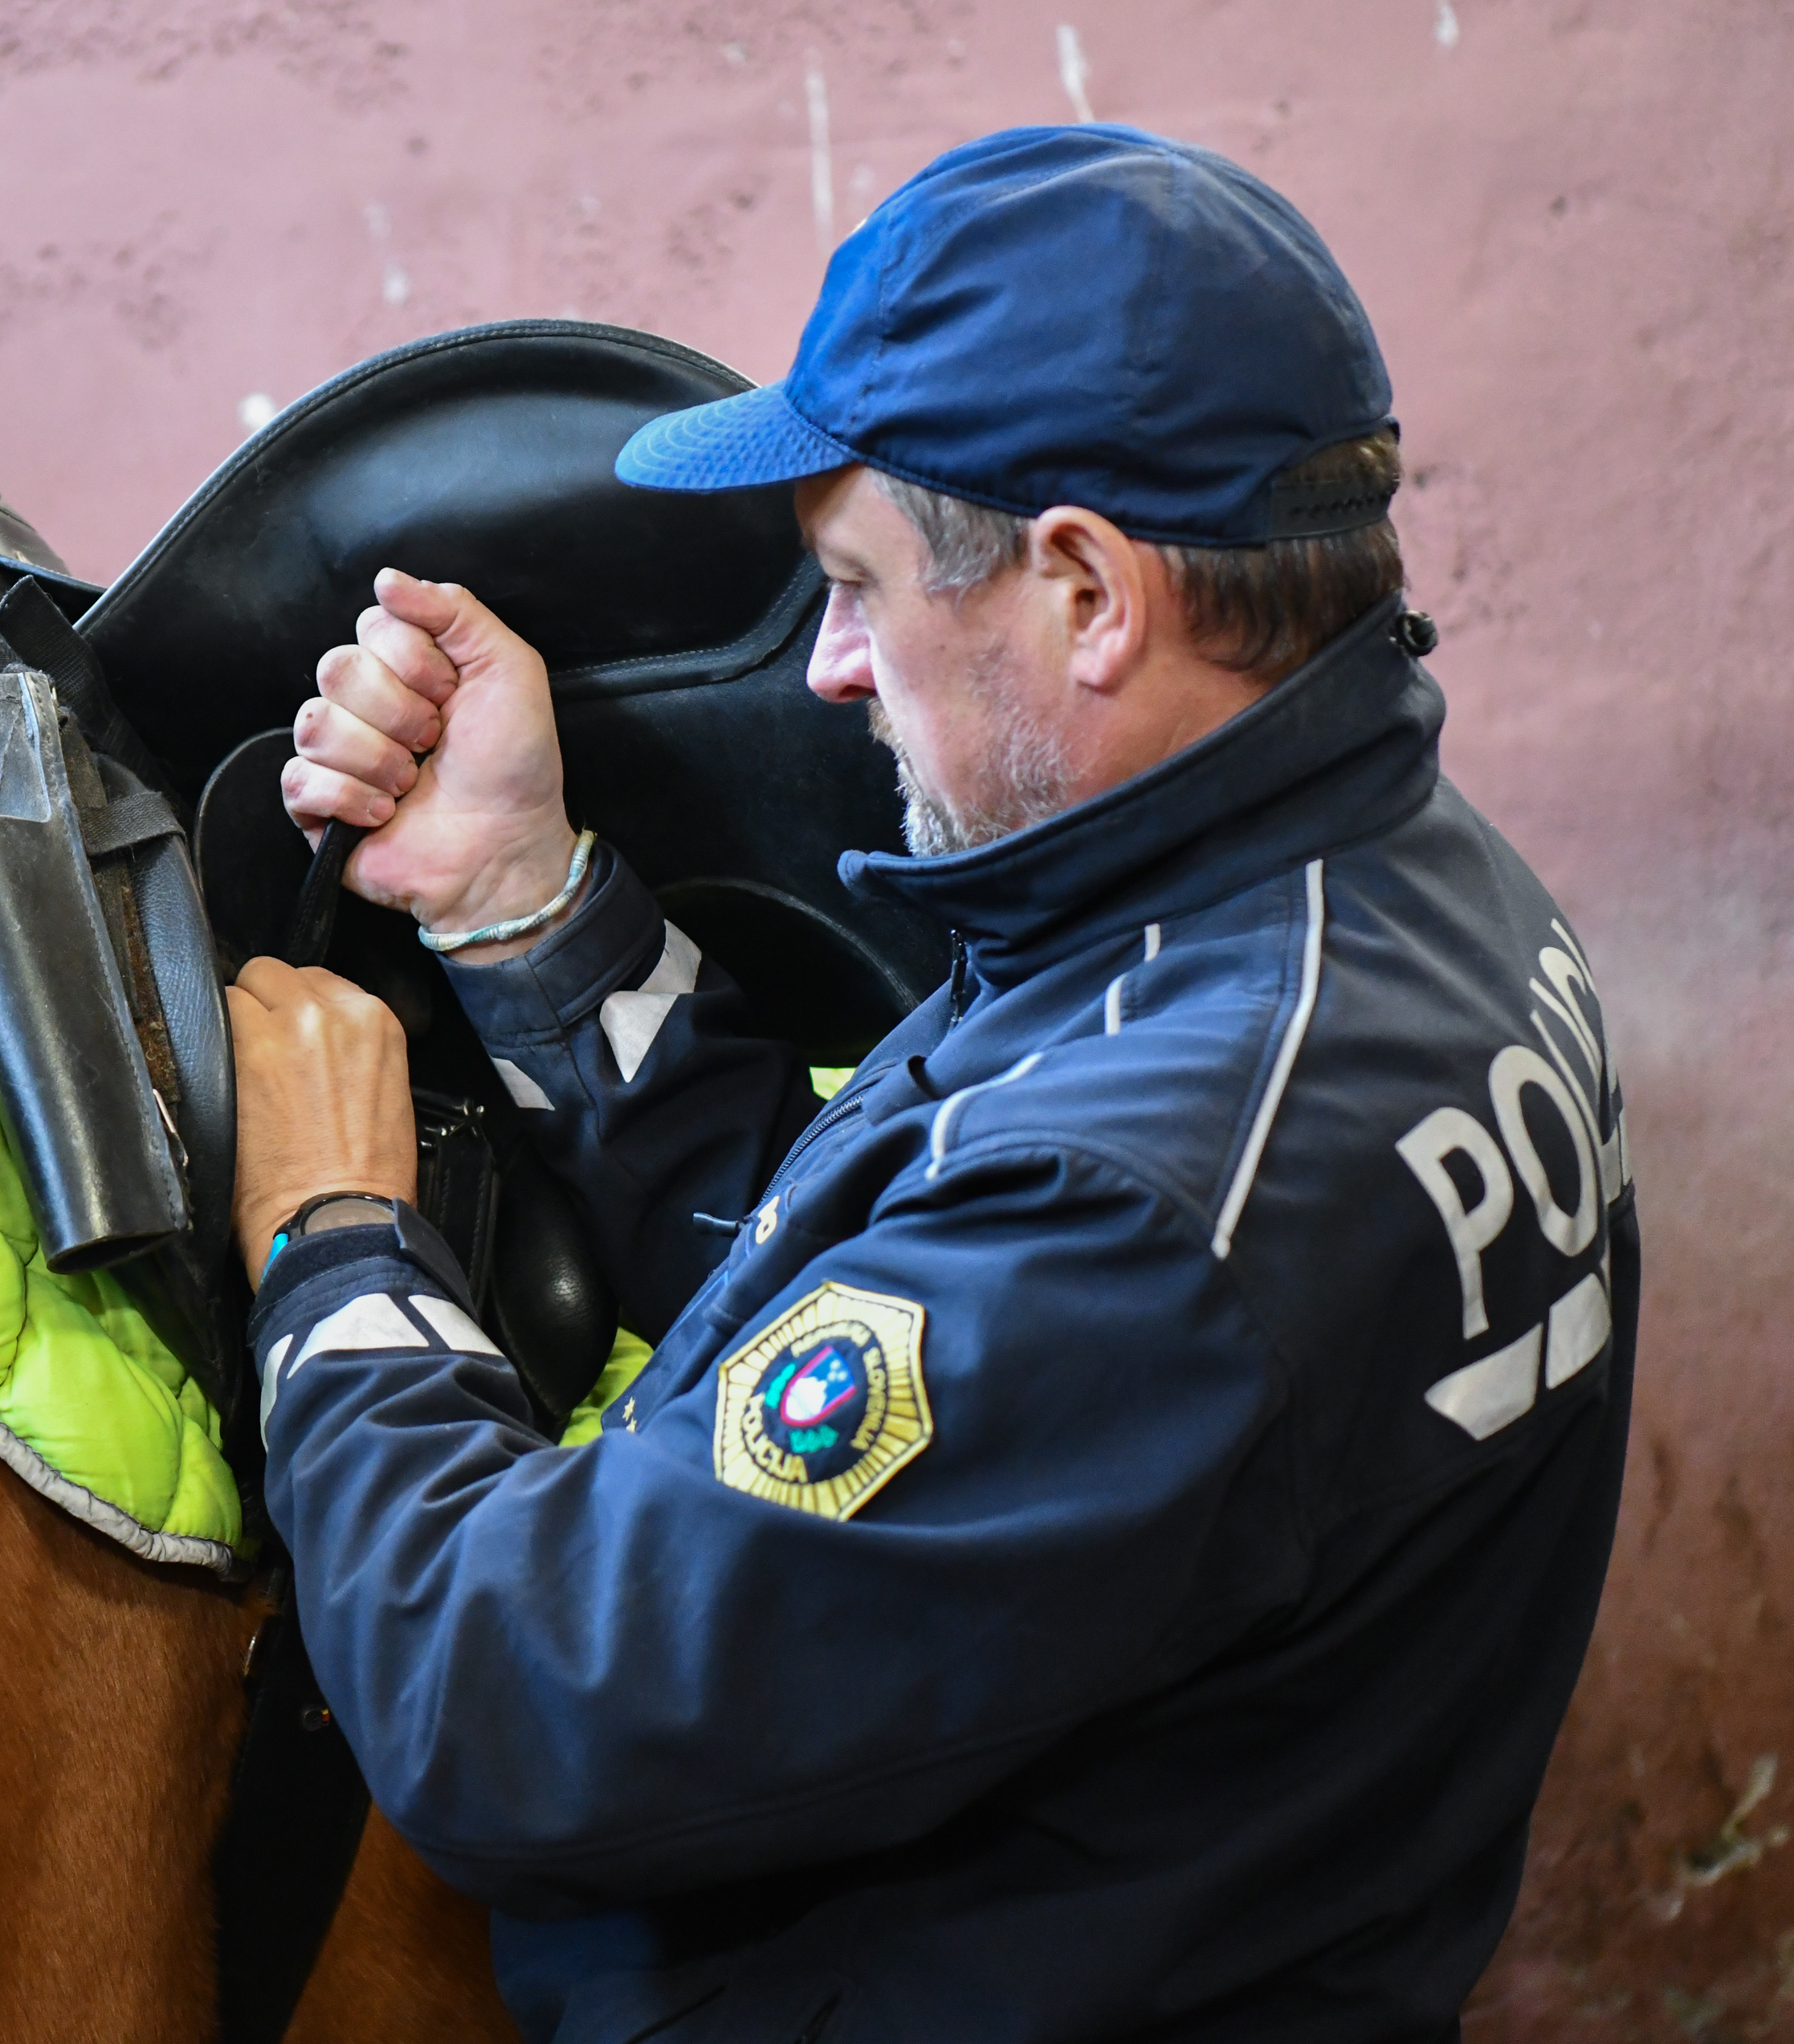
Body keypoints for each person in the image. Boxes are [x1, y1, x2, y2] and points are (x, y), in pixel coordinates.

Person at [222, 124, 1635, 2042]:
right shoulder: (1346, 892)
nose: (826, 666)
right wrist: (525, 914)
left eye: (858, 586)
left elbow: (505, 1707)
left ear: (1083, 590)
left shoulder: (1161, 1190)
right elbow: (905, 1303)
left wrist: (333, 1245)